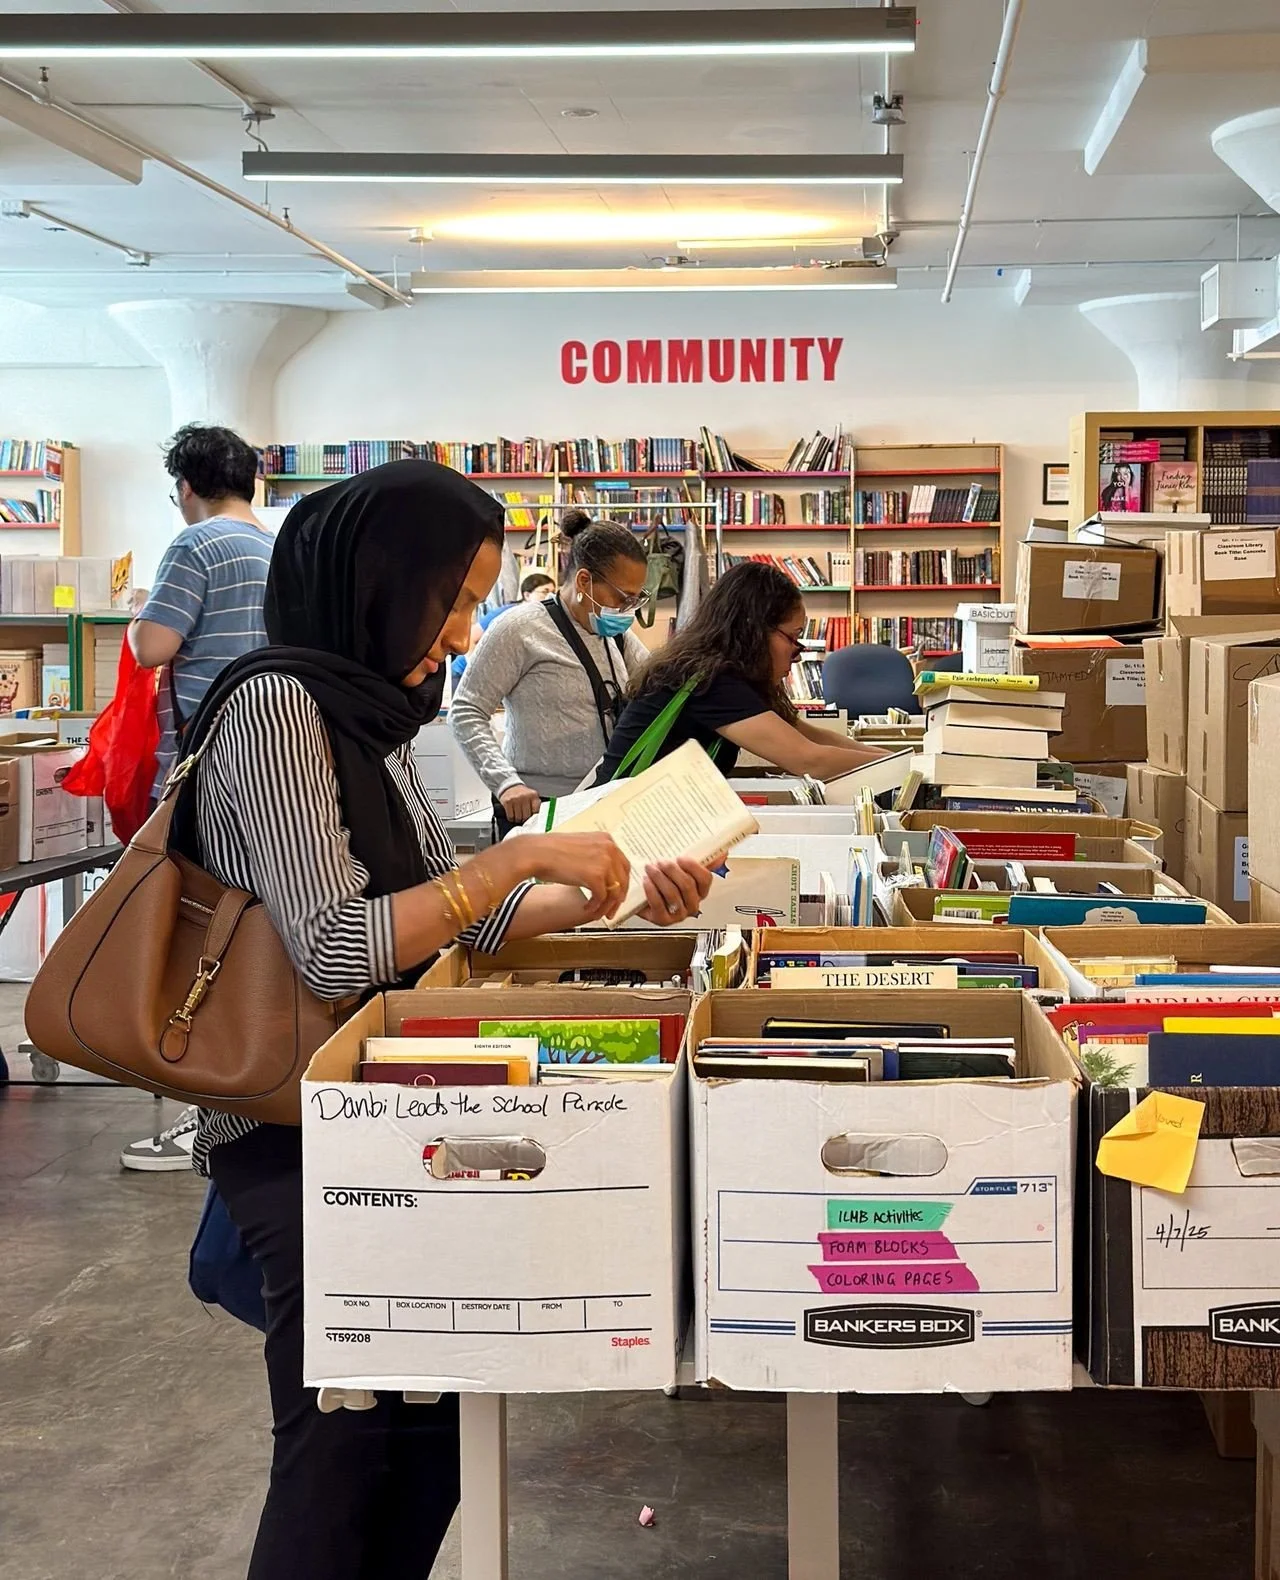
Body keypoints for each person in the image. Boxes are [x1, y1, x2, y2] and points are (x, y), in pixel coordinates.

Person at [183, 460, 711, 1580]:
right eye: (453, 600)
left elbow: (453, 916)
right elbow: (334, 941)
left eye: (475, 601)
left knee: (429, 1439)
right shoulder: (280, 706)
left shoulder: (365, 712)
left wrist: (604, 892)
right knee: (338, 1451)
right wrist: (514, 855)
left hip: (383, 1114)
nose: (464, 632)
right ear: (377, 582)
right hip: (295, 1130)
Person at [121, 421, 274, 1173]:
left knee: (189, 931)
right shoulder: (277, 547)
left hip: (201, 770)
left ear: (186, 487)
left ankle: (199, 1096)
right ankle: (240, 1088)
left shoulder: (195, 545)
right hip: (269, 767)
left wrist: (135, 617)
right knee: (249, 930)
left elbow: (154, 647)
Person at [450, 509, 651, 836]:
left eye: (636, 598)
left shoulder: (618, 636)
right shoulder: (519, 628)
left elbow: (657, 681)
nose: (628, 608)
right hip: (538, 809)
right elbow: (466, 710)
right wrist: (505, 783)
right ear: (585, 581)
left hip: (602, 803)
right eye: (622, 597)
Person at [595, 560, 887, 784]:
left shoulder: (716, 674)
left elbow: (810, 737)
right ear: (755, 630)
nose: (796, 655)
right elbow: (809, 759)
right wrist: (903, 766)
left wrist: (901, 760)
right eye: (793, 638)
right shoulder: (712, 682)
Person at [448, 565, 555, 688]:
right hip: (461, 673)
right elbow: (471, 636)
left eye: (553, 592)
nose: (549, 597)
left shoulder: (539, 620)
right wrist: (476, 671)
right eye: (545, 591)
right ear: (527, 595)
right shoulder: (507, 613)